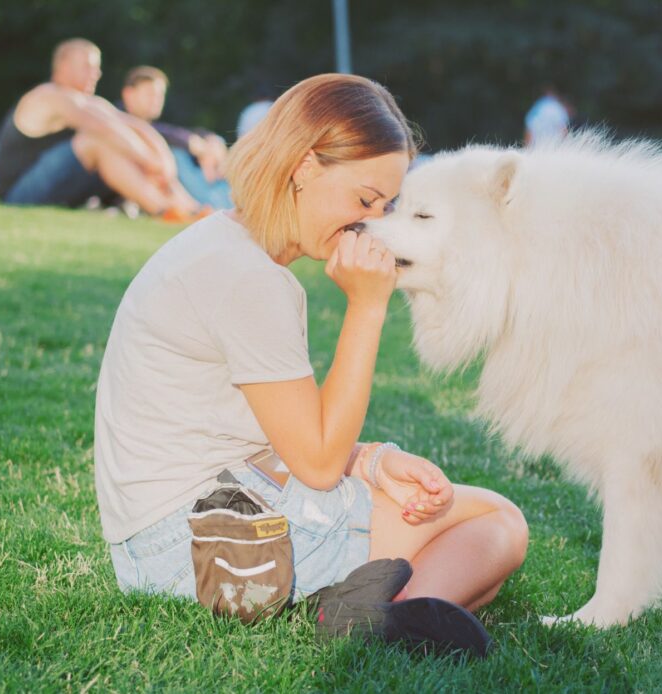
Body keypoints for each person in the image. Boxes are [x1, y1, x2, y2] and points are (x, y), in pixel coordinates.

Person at [94, 74, 528, 643]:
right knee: (496, 524)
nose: (369, 222)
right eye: (364, 199)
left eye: (386, 206)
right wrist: (367, 309)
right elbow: (318, 464)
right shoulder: (248, 279)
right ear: (303, 167)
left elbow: (278, 435)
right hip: (200, 550)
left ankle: (376, 602)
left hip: (168, 542)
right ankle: (372, 622)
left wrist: (371, 462)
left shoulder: (226, 248)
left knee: (471, 572)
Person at [0, 38, 204, 221]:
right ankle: (163, 211)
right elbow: (107, 130)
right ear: (63, 65)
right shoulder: (51, 96)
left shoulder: (90, 102)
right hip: (19, 195)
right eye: (88, 66)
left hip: (57, 190)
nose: (97, 73)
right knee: (96, 142)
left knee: (124, 143)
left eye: (97, 67)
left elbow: (138, 127)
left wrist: (164, 162)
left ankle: (189, 207)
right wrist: (151, 163)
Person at [119, 65, 232, 210]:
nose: (156, 100)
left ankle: (222, 204)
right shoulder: (118, 121)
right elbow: (159, 133)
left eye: (160, 95)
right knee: (175, 154)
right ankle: (211, 206)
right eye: (150, 94)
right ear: (129, 94)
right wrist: (191, 144)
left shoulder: (156, 127)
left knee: (215, 143)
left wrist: (211, 141)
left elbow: (177, 132)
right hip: (146, 187)